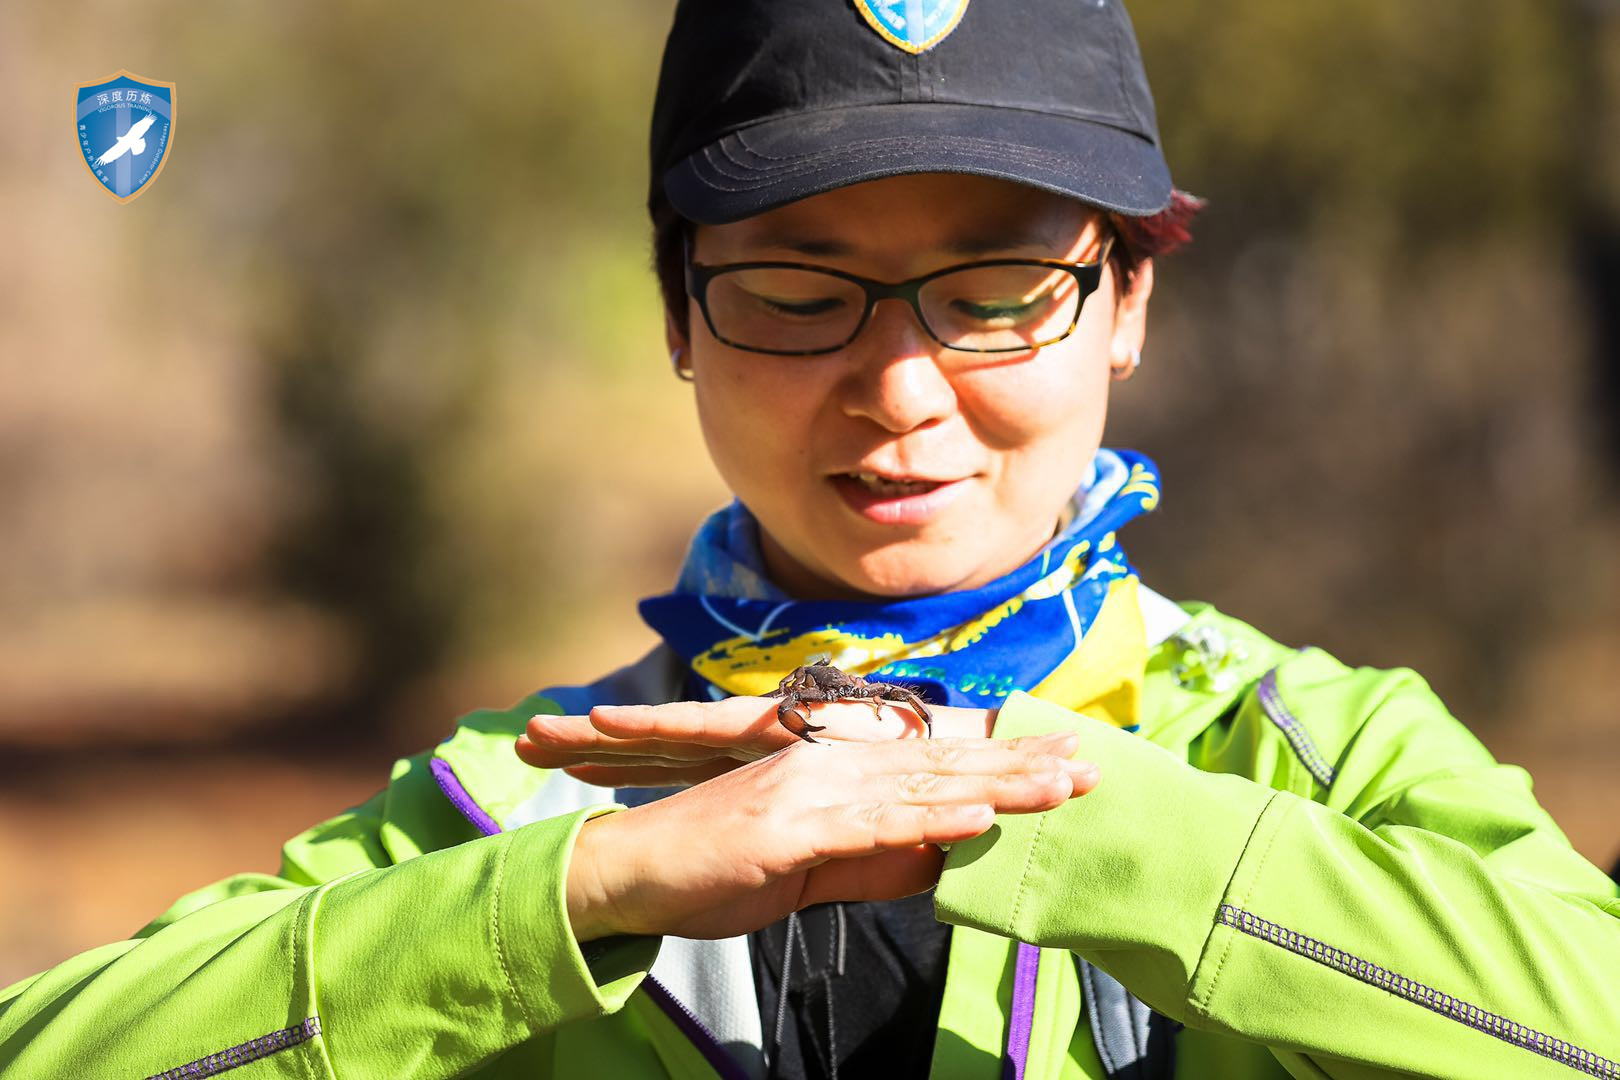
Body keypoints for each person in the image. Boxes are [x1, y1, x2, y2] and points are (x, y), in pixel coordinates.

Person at [4, 1, 1618, 1077]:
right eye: (794, 292)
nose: (900, 389)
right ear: (678, 320)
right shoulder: (532, 796)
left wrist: (1039, 805)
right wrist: (580, 893)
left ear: (1126, 304)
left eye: (995, 292)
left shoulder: (1319, 755)